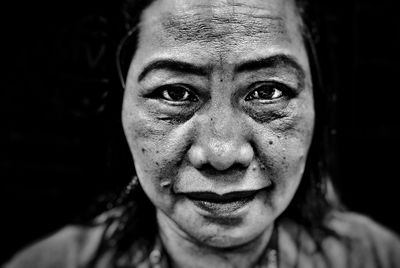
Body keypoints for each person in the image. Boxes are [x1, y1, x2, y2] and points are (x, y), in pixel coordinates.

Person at [4, 0, 400, 267]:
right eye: (175, 92)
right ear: (122, 106)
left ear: (317, 100)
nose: (222, 152)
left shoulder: (376, 256)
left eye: (268, 91)